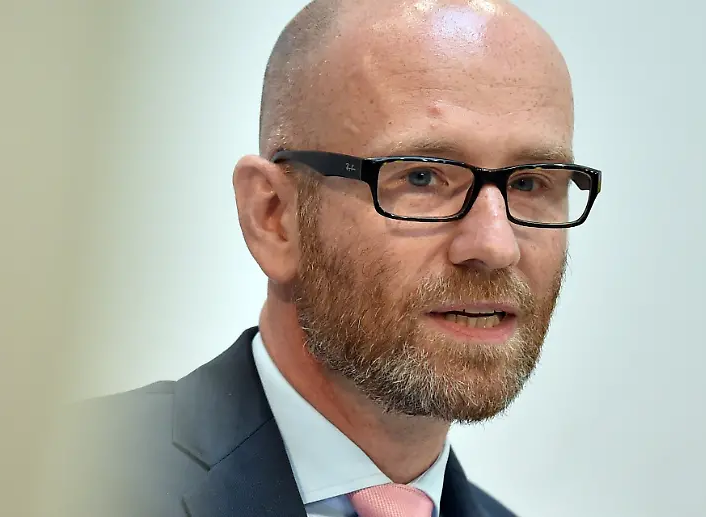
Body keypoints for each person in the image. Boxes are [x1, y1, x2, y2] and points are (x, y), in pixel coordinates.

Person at [72, 0, 602, 516]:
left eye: (530, 183)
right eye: (421, 177)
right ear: (274, 216)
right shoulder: (62, 484)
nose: (495, 245)